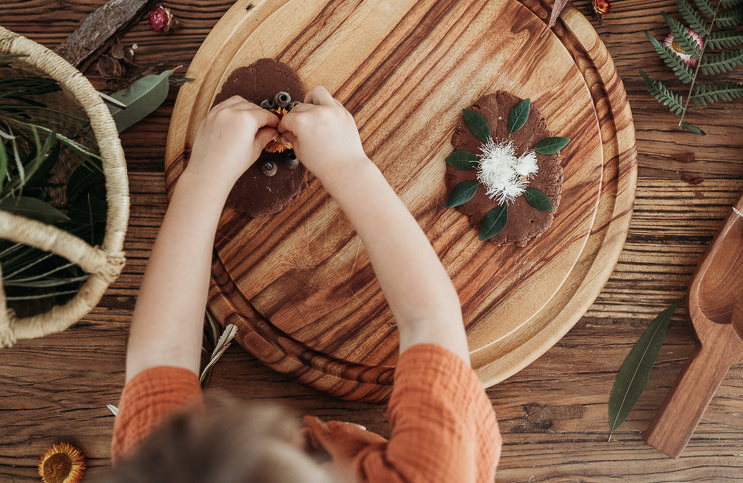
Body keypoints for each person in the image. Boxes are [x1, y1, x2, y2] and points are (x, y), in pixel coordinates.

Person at [105, 87, 502, 482]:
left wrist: (205, 176)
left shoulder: (163, 468)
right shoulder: (440, 471)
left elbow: (160, 355)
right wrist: (348, 165)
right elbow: (430, 319)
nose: (293, 437)